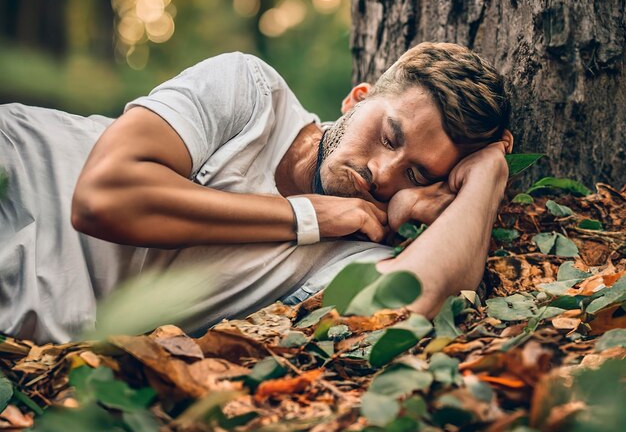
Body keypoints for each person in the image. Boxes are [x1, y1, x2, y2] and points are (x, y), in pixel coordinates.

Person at [0, 42, 512, 344]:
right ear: (357, 100)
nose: (383, 173)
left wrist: (488, 176)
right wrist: (304, 217)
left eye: (418, 175)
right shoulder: (249, 93)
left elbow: (422, 297)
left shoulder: (354, 251)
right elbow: (103, 198)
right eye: (388, 136)